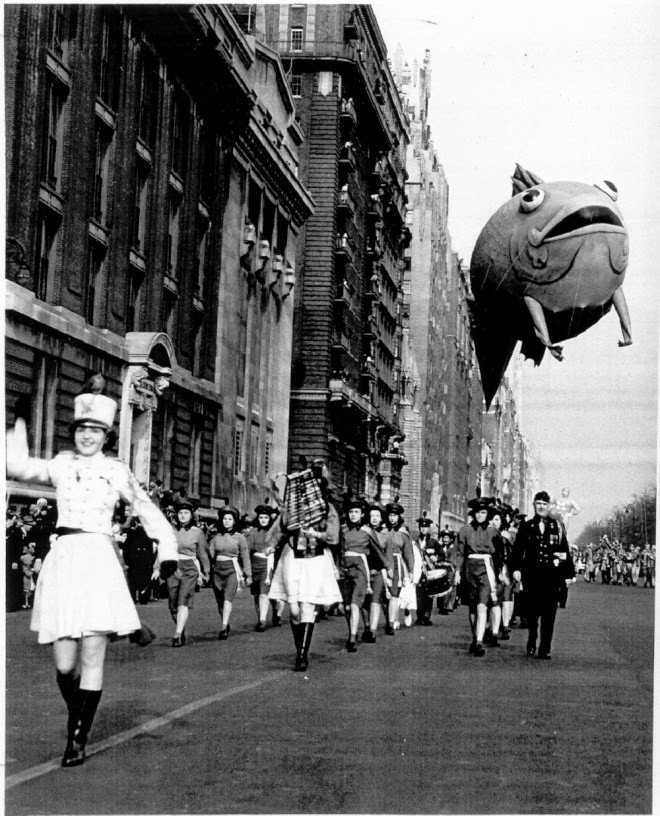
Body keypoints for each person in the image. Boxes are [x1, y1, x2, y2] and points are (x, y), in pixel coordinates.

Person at [5, 378, 178, 767]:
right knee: (65, 663)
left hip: (99, 561)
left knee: (93, 654)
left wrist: (167, 551)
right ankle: (79, 712)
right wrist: (19, 423)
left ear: (107, 436)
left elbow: (147, 509)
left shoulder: (116, 471)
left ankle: (77, 739)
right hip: (64, 561)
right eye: (82, 429)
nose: (87, 436)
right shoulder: (61, 465)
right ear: (75, 432)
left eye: (95, 431)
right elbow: (16, 465)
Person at [268, 473, 342, 672]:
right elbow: (280, 528)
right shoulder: (292, 508)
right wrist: (271, 544)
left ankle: (302, 655)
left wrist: (316, 534)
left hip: (315, 560)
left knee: (307, 607)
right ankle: (299, 648)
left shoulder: (327, 509)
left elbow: (333, 537)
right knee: (293, 610)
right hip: (292, 557)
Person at [511, 490, 575, 660]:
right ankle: (532, 636)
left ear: (549, 506)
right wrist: (515, 568)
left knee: (549, 613)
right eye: (538, 503)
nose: (541, 507)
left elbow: (564, 550)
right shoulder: (526, 526)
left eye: (544, 504)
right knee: (531, 613)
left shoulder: (557, 527)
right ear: (534, 505)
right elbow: (517, 549)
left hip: (552, 576)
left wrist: (569, 574)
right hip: (531, 576)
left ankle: (545, 647)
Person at [453, 497, 504, 656]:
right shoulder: (465, 530)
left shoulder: (493, 532)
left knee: (482, 605)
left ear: (487, 514)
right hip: (469, 569)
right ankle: (475, 637)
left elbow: (499, 555)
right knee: (473, 606)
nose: (480, 515)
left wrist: (500, 572)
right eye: (477, 512)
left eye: (483, 512)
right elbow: (460, 552)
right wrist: (457, 571)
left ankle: (479, 641)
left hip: (486, 569)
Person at [339, 497, 389, 651]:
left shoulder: (367, 531)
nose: (353, 515)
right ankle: (356, 628)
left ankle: (352, 637)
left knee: (355, 603)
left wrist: (386, 567)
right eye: (351, 512)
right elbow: (338, 550)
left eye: (356, 512)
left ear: (362, 514)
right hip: (344, 570)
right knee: (346, 606)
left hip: (361, 569)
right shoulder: (343, 530)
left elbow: (377, 551)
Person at [168, 500, 210, 646]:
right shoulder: (170, 530)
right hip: (173, 568)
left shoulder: (197, 533)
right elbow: (163, 549)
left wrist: (206, 571)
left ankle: (177, 636)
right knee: (173, 606)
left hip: (190, 568)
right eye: (180, 513)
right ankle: (181, 630)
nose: (183, 516)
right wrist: (156, 567)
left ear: (191, 515)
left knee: (183, 601)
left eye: (186, 513)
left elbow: (203, 554)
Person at [208, 506, 252, 639]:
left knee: (228, 598)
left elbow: (245, 556)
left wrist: (248, 575)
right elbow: (209, 555)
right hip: (217, 571)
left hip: (232, 570)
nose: (226, 521)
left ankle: (223, 628)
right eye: (224, 519)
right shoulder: (216, 537)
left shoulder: (240, 537)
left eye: (229, 519)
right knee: (220, 601)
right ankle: (225, 622)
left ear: (234, 521)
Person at [361, 502, 393, 643]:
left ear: (381, 518)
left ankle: (372, 631)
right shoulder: (363, 532)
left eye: (377, 516)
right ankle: (367, 626)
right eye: (372, 515)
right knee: (364, 602)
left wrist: (390, 572)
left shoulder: (386, 536)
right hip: (364, 571)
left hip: (379, 571)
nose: (374, 518)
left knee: (375, 600)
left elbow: (389, 555)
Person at [246, 502, 280, 631]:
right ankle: (262, 615)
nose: (263, 520)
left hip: (268, 564)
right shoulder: (252, 532)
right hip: (255, 564)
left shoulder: (274, 533)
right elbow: (247, 550)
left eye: (266, 517)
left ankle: (262, 621)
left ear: (270, 519)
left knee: (264, 592)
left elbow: (278, 548)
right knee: (256, 594)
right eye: (261, 517)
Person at [383, 502, 414, 636]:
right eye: (390, 515)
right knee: (383, 596)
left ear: (399, 517)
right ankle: (389, 618)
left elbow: (408, 553)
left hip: (397, 563)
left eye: (395, 515)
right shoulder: (382, 530)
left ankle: (391, 622)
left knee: (394, 594)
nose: (392, 518)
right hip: (382, 562)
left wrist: (411, 570)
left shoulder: (403, 533)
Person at [415, 514, 444, 626]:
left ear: (429, 528)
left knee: (429, 595)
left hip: (430, 571)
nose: (423, 529)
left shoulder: (434, 542)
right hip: (418, 571)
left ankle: (427, 617)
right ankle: (419, 617)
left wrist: (436, 558)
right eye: (422, 527)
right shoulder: (415, 541)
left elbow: (442, 555)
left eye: (425, 527)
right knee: (419, 595)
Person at [122, 518, 158, 605]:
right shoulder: (149, 534)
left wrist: (126, 561)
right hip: (146, 561)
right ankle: (144, 597)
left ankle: (133, 598)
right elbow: (153, 549)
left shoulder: (131, 533)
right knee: (145, 580)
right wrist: (151, 561)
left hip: (134, 561)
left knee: (133, 581)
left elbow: (126, 548)